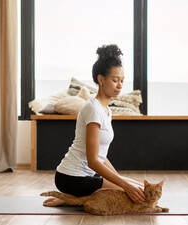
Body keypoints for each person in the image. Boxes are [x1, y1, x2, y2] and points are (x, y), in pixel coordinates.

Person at [43, 44, 146, 207]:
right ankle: (71, 196)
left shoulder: (105, 110)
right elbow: (93, 161)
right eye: (115, 80)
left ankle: (70, 197)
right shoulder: (93, 109)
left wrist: (120, 180)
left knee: (143, 190)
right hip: (71, 178)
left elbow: (101, 157)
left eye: (122, 81)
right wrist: (123, 185)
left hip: (86, 177)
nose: (120, 85)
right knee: (141, 197)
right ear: (101, 79)